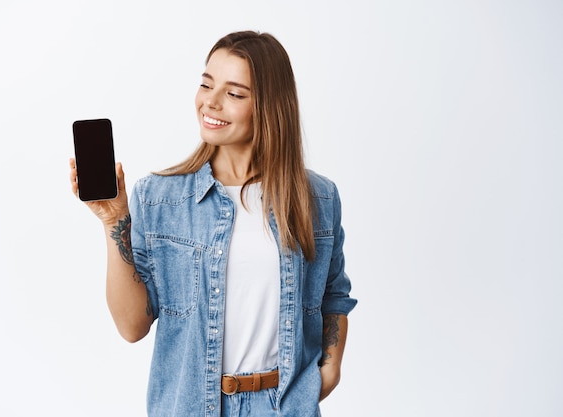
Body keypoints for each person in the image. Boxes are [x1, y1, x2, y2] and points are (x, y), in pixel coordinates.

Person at [70, 30, 357, 417]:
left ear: (271, 107)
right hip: (191, 405)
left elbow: (333, 295)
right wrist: (114, 221)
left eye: (234, 94)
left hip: (284, 407)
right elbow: (131, 326)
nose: (211, 102)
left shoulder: (317, 198)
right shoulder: (160, 198)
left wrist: (330, 369)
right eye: (207, 84)